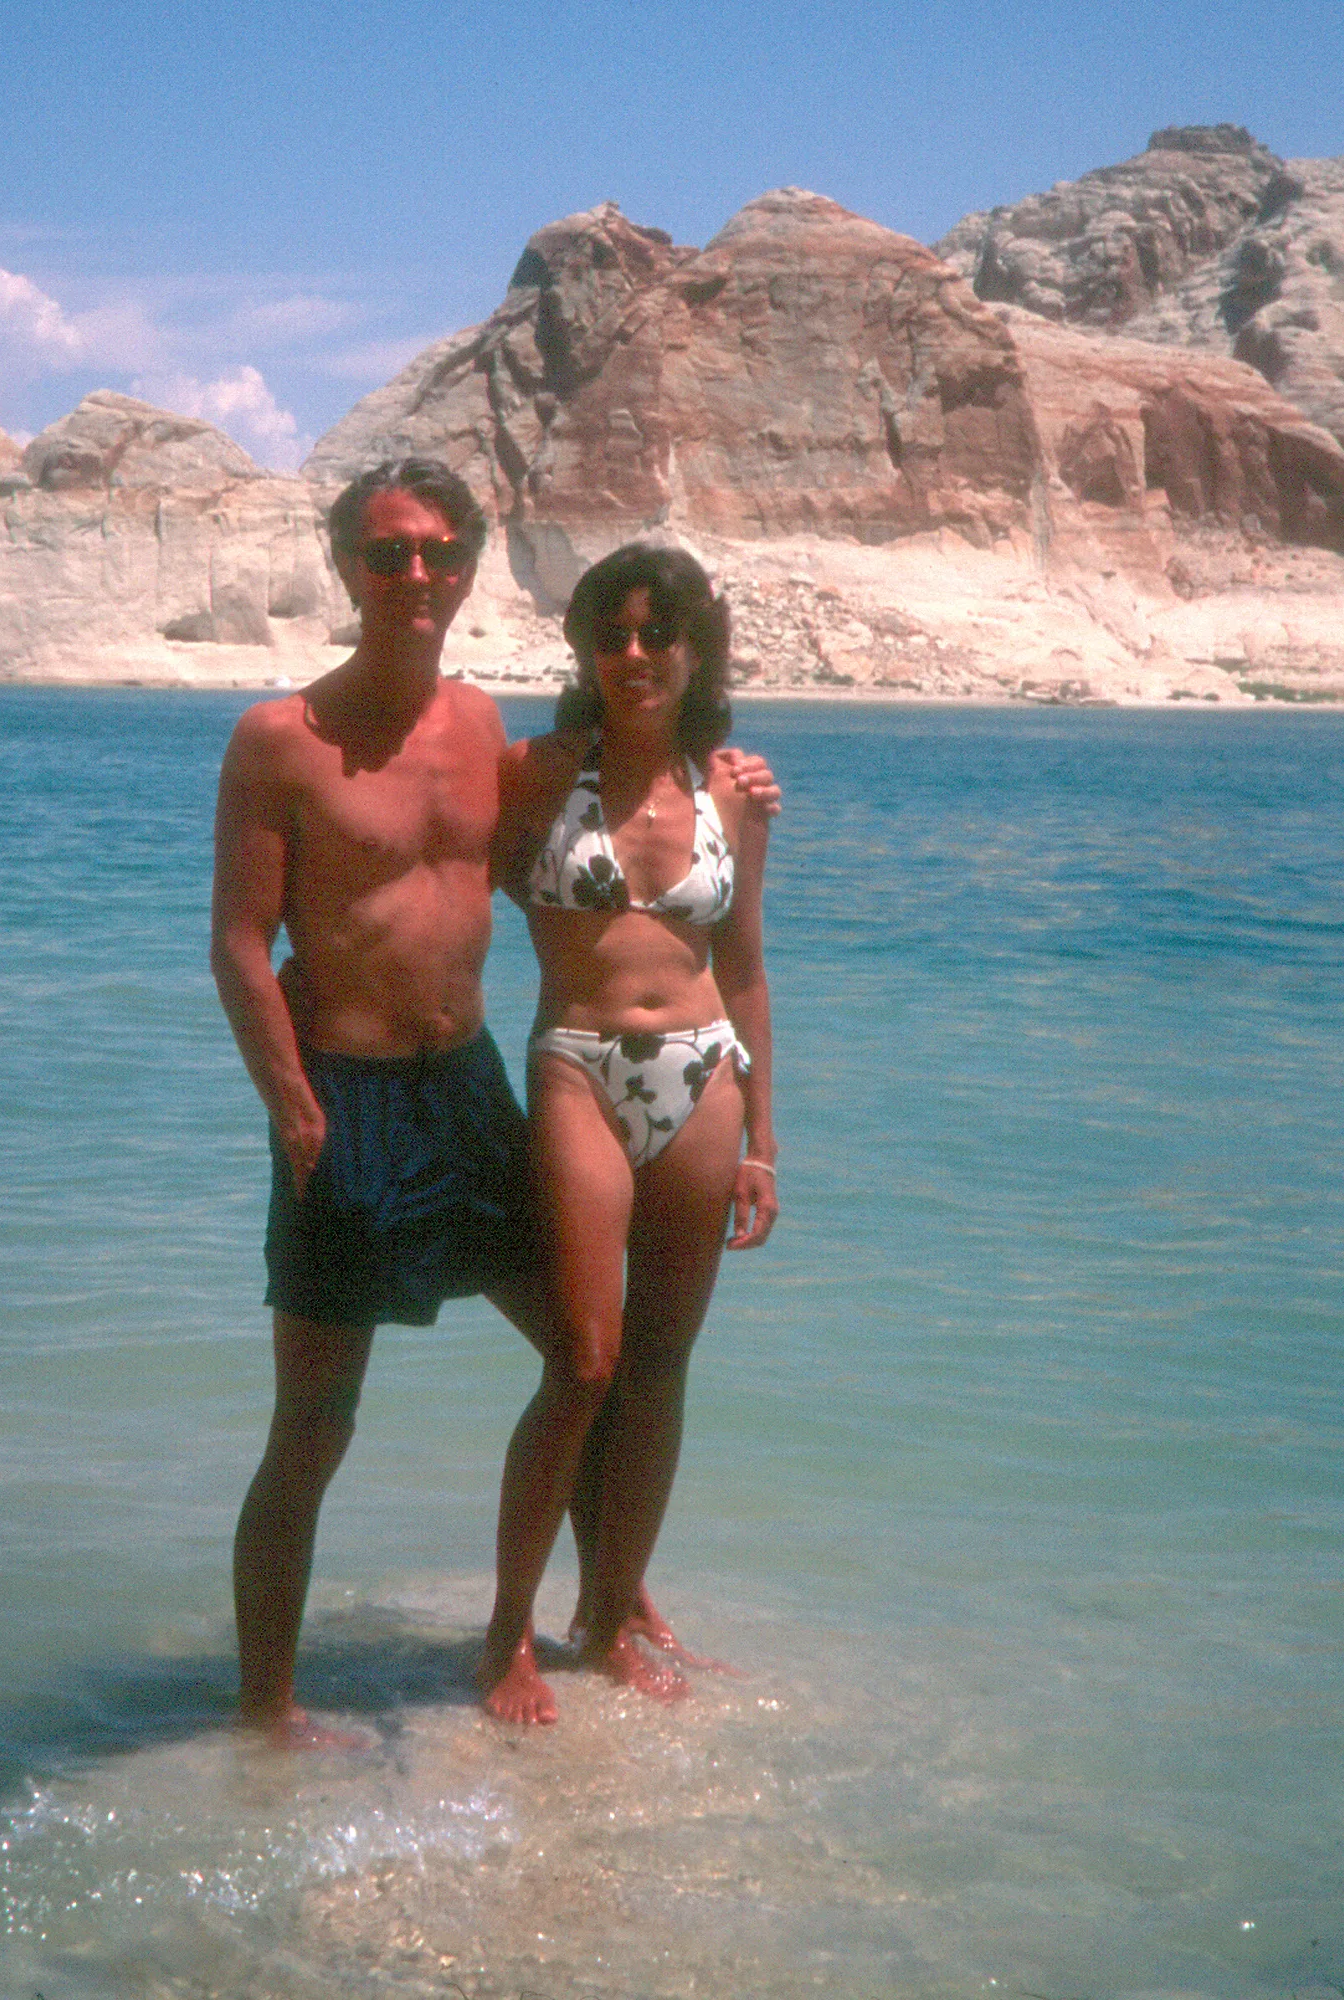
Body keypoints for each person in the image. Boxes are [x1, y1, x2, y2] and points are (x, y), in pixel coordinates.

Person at [210, 464, 772, 1745]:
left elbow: (602, 847)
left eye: (437, 553)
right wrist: (292, 1103)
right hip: (340, 1100)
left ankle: (607, 1603)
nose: (414, 576)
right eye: (386, 552)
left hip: (465, 1091)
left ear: (466, 568)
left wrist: (718, 760)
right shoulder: (276, 738)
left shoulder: (485, 732)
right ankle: (265, 1710)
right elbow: (241, 943)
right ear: (346, 561)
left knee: (594, 1357)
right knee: (315, 1420)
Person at [477, 542, 778, 1727]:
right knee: (584, 1361)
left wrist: (765, 1136)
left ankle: (606, 1620)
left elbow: (745, 961)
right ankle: (510, 1632)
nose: (635, 655)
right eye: (613, 634)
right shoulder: (537, 777)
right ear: (586, 650)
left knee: (659, 1370)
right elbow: (446, 887)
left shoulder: (734, 793)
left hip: (703, 1075)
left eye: (659, 634)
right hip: (578, 1065)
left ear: (695, 650)